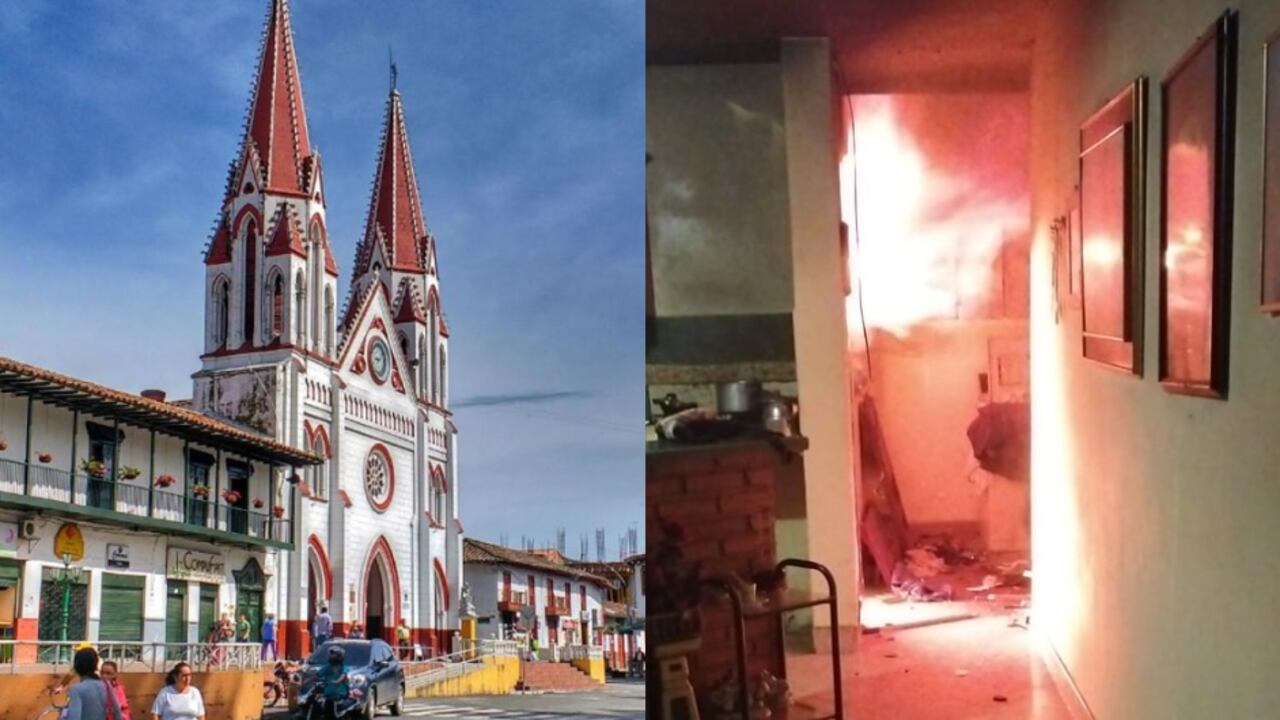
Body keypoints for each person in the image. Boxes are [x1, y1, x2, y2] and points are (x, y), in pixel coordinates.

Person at [63, 647, 124, 720]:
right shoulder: (106, 685)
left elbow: (74, 717)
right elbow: (117, 712)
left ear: (77, 667)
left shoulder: (77, 689)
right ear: (96, 665)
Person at [316, 645, 350, 718]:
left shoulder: (343, 667)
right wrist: (304, 682)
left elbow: (342, 676)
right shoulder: (327, 667)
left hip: (340, 693)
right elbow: (317, 675)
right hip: (328, 693)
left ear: (339, 657)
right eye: (330, 655)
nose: (331, 657)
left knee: (332, 709)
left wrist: (337, 681)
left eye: (333, 655)